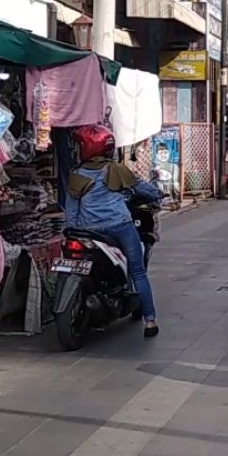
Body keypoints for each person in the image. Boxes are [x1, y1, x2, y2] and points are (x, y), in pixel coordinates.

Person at [65, 125, 164, 338]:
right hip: (120, 227)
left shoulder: (76, 174)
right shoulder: (115, 169)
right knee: (138, 271)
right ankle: (150, 320)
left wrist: (74, 229)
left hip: (88, 230)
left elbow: (71, 209)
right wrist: (157, 194)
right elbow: (141, 187)